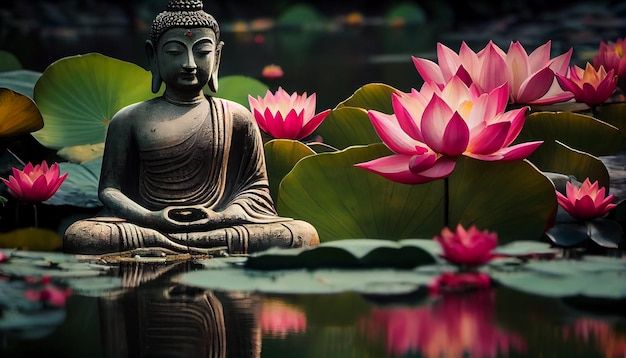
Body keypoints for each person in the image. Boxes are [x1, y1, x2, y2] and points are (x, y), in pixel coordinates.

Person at [64, 0, 319, 254]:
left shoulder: (236, 116)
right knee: (85, 236)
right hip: (149, 226)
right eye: (175, 52)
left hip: (218, 226)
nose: (189, 63)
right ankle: (188, 246)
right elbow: (109, 190)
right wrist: (150, 217)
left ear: (217, 56)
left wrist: (220, 217)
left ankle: (174, 247)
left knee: (301, 234)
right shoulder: (129, 118)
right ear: (153, 56)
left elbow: (256, 189)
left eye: (202, 52)